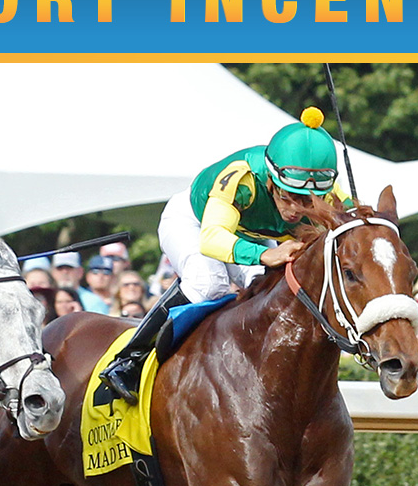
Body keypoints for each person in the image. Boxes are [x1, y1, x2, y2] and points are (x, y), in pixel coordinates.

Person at [100, 106, 350, 402]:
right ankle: (129, 360)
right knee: (208, 283)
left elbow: (356, 222)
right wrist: (264, 256)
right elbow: (212, 239)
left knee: (269, 290)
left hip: (252, 235)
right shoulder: (240, 178)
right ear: (270, 179)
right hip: (195, 222)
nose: (296, 209)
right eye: (289, 196)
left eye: (308, 201)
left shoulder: (326, 187)